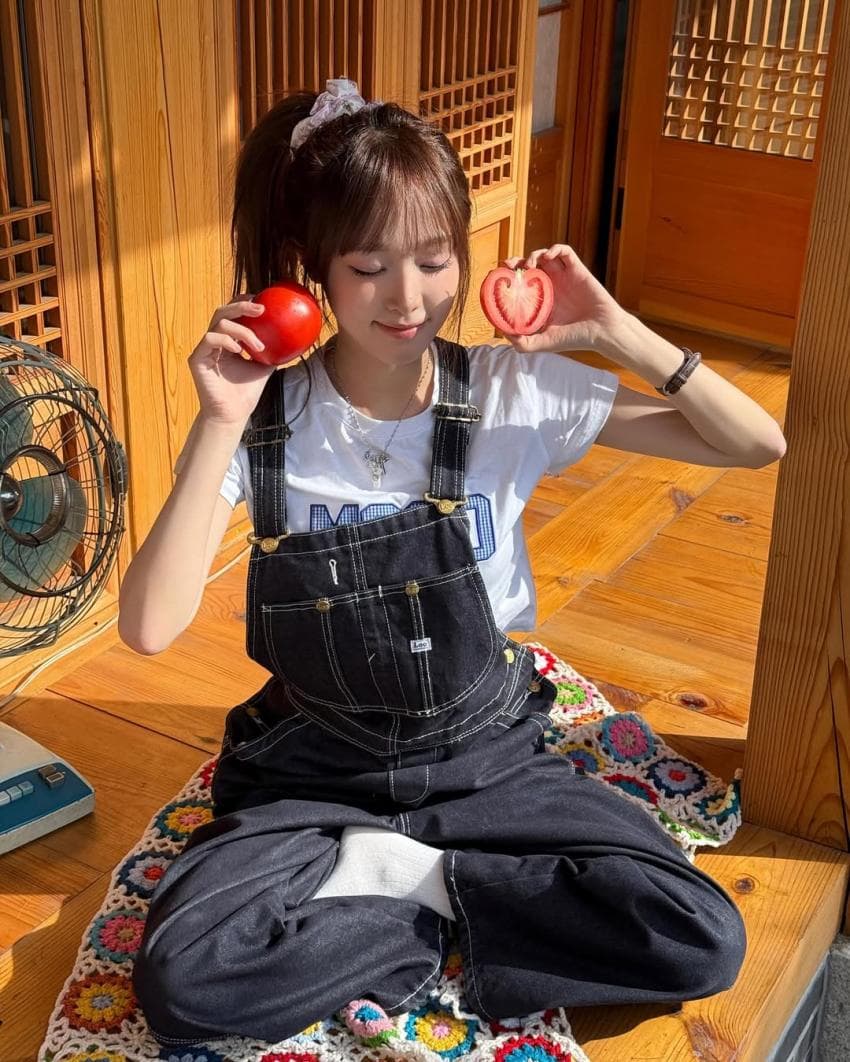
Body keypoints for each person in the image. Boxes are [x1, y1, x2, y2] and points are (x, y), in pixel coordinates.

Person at [120, 78, 783, 1049]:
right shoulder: (263, 415)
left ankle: (411, 885)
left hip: (484, 753)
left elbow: (755, 443)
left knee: (695, 935)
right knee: (188, 979)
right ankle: (457, 903)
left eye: (434, 260)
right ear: (315, 267)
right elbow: (148, 627)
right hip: (314, 768)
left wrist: (614, 330)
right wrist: (220, 421)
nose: (409, 298)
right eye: (369, 266)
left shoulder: (512, 391)